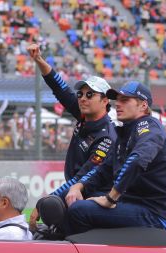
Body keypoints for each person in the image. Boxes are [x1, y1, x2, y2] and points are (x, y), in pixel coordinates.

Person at [62, 81, 166, 235]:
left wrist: (110, 198)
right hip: (136, 205)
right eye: (117, 100)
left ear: (143, 105)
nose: (118, 104)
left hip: (156, 212)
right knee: (78, 202)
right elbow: (102, 170)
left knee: (79, 210)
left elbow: (138, 159)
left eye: (125, 100)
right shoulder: (125, 133)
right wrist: (79, 186)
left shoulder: (148, 126)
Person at [27, 43, 117, 230]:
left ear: (105, 101)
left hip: (94, 200)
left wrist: (45, 201)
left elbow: (81, 178)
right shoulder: (84, 115)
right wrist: (39, 60)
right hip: (77, 195)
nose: (83, 98)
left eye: (90, 94)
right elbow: (59, 86)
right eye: (81, 93)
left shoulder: (107, 138)